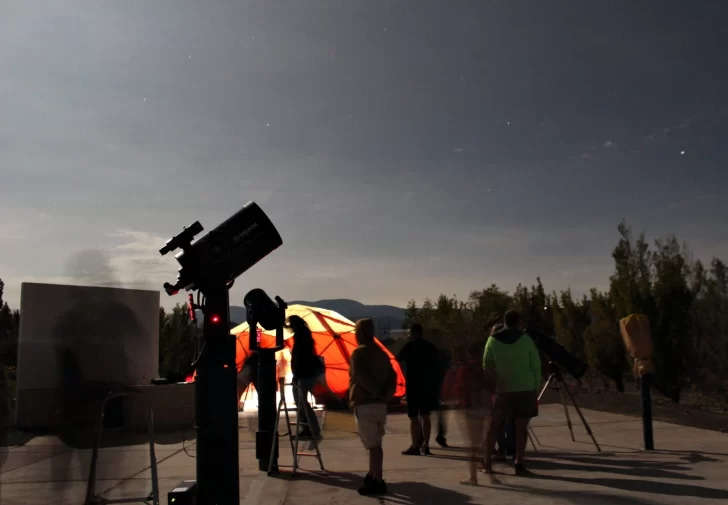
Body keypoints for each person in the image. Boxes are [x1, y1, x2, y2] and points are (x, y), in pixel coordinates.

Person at [482, 310, 541, 477]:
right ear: (519, 322)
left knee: (494, 426)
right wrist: (534, 386)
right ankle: (519, 462)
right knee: (521, 428)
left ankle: (487, 464)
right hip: (525, 388)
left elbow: (487, 365)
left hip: (502, 390)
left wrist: (493, 385)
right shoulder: (526, 340)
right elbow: (535, 365)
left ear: (504, 321)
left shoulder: (492, 340)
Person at [348, 318, 397, 496]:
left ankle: (378, 480)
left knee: (373, 445)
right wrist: (386, 395)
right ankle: (371, 474)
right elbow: (392, 376)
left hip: (365, 403)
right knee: (375, 442)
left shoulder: (358, 353)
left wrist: (373, 392)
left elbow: (362, 377)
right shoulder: (382, 353)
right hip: (380, 405)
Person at [397, 323, 440, 456]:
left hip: (413, 384)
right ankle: (426, 445)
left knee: (413, 416)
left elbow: (397, 359)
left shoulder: (409, 346)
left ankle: (415, 444)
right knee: (426, 415)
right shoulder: (430, 347)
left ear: (412, 333)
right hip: (427, 385)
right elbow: (438, 365)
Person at [454, 341, 493, 486]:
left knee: (472, 444)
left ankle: (473, 477)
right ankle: (487, 466)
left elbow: (460, 389)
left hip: (471, 407)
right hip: (485, 406)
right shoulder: (485, 369)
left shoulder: (466, 370)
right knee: (484, 439)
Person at [288, 315, 326, 442]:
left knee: (302, 403)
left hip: (302, 374)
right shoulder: (306, 335)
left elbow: (299, 357)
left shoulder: (300, 337)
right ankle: (307, 429)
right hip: (306, 373)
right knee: (302, 402)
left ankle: (312, 429)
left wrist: (296, 373)